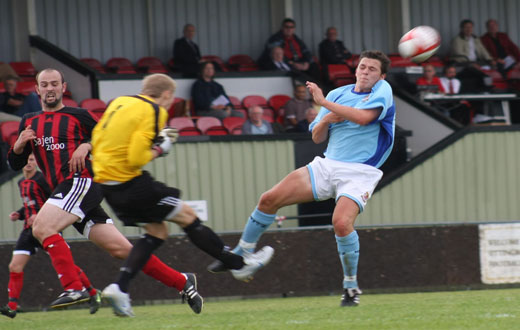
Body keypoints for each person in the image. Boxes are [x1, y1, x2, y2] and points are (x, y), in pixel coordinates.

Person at [7, 69, 205, 314]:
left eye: (54, 84)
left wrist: (86, 144)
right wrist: (17, 147)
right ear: (37, 89)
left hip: (82, 181)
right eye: (44, 84)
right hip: (67, 192)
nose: (49, 88)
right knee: (121, 250)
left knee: (41, 227)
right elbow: (16, 164)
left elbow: (110, 137)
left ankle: (74, 288)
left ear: (63, 87)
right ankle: (182, 281)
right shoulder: (29, 121)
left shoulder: (79, 115)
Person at [208, 50, 395, 307]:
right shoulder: (337, 94)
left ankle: (350, 287)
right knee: (268, 199)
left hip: (361, 171)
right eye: (362, 66)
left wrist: (323, 103)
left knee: (341, 223)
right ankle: (241, 255)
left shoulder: (382, 90)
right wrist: (327, 118)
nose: (365, 72)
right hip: (328, 165)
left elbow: (364, 119)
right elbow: (317, 137)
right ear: (356, 69)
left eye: (372, 69)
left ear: (381, 75)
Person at [91, 73, 273, 317]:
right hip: (131, 183)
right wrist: (160, 148)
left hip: (107, 185)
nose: (170, 102)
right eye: (171, 97)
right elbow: (136, 158)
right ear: (166, 94)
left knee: (157, 232)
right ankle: (238, 265)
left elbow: (100, 139)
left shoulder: (120, 102)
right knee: (187, 216)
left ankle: (120, 287)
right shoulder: (154, 110)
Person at [0, 154, 100, 318]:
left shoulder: (42, 180)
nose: (28, 163)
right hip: (28, 231)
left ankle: (92, 292)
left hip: (46, 227)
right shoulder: (20, 182)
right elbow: (30, 204)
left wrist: (38, 216)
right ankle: (12, 307)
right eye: (26, 160)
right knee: (14, 266)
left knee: (67, 265)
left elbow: (53, 202)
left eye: (32, 159)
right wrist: (20, 214)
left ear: (36, 162)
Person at [258, 18, 321, 83]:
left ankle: (318, 89)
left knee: (314, 66)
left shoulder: (296, 39)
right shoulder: (275, 39)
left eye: (291, 27)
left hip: (300, 61)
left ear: (294, 29)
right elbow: (277, 55)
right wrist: (293, 63)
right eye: (286, 27)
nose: (289, 29)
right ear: (282, 28)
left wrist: (307, 63)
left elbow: (306, 51)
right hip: (288, 62)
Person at [450, 19, 494, 93]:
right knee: (479, 73)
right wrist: (470, 64)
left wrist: (490, 59)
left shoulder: (475, 39)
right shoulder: (457, 40)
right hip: (462, 64)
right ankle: (487, 86)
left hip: (475, 63)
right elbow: (458, 54)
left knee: (490, 66)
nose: (469, 29)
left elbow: (482, 51)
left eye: (470, 27)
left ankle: (486, 87)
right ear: (462, 29)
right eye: (466, 27)